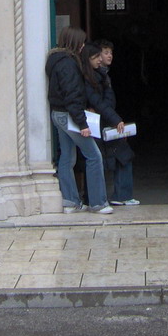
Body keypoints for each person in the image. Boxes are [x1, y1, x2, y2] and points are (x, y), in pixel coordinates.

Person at [46, 26, 113, 214]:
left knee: (67, 157)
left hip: (58, 114)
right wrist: (82, 124)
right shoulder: (69, 64)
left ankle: (70, 201)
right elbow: (72, 96)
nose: (83, 46)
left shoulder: (56, 60)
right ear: (75, 43)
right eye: (82, 43)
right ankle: (98, 203)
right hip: (69, 116)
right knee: (94, 155)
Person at [92, 40, 138, 205]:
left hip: (107, 120)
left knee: (119, 156)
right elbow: (100, 103)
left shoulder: (104, 74)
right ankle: (117, 196)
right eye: (105, 52)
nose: (109, 55)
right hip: (103, 122)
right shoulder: (95, 76)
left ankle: (118, 195)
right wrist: (115, 120)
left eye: (111, 52)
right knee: (119, 156)